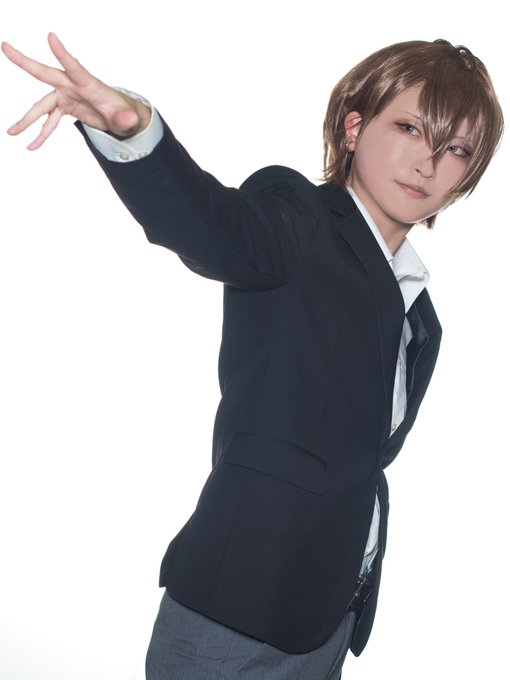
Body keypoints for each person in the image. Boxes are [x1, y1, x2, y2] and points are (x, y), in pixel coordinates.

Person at [2, 34, 504, 679]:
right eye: (409, 128)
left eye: (455, 149)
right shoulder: (298, 219)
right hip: (233, 621)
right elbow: (212, 223)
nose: (427, 163)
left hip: (328, 621)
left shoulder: (420, 312)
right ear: (353, 128)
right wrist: (136, 133)